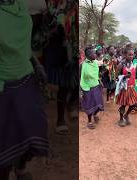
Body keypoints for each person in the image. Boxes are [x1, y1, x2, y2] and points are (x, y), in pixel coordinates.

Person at [0, 0, 49, 179]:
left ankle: (20, 168)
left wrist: (36, 65)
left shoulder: (21, 6)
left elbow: (22, 46)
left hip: (25, 81)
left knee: (33, 129)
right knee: (3, 143)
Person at [42, 0, 78, 135]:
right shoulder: (50, 4)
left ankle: (72, 103)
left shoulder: (74, 6)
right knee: (64, 84)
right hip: (57, 47)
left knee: (74, 82)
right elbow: (45, 25)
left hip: (73, 47)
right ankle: (60, 119)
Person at [116, 47, 137, 127]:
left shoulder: (133, 63)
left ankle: (126, 115)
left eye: (132, 55)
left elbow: (136, 72)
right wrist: (125, 76)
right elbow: (116, 76)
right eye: (129, 55)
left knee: (135, 103)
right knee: (123, 104)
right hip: (124, 88)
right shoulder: (121, 64)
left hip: (131, 87)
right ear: (125, 55)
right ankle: (121, 119)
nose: (131, 56)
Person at [80, 47, 104, 129]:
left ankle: (95, 114)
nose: (95, 54)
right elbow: (81, 77)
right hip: (87, 88)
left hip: (96, 86)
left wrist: (99, 80)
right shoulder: (83, 65)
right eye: (93, 53)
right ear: (88, 55)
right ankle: (89, 121)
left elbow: (96, 74)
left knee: (99, 103)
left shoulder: (94, 62)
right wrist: (81, 90)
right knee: (89, 105)